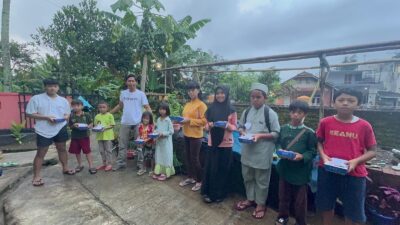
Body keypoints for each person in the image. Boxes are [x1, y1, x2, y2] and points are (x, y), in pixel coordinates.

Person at [316, 88, 377, 225]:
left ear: (358, 104)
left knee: (353, 209)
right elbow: (319, 142)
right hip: (327, 171)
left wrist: (356, 161)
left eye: (351, 100)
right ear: (334, 103)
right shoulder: (325, 122)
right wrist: (324, 157)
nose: (345, 103)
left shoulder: (364, 126)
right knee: (326, 204)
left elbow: (372, 151)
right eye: (341, 100)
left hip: (354, 175)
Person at [235, 83, 280, 219]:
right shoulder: (247, 111)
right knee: (247, 177)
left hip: (262, 152)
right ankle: (250, 199)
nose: (255, 100)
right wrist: (242, 131)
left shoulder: (270, 113)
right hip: (247, 151)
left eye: (258, 97)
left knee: (261, 180)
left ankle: (261, 204)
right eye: (252, 97)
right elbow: (241, 126)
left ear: (264, 98)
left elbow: (276, 133)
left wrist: (260, 136)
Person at [26, 78, 75, 186]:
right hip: (43, 129)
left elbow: (67, 114)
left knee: (62, 149)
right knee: (41, 153)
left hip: (60, 127)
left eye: (55, 86)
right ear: (45, 87)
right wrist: (46, 117)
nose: (52, 88)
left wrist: (66, 116)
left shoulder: (63, 100)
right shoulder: (36, 98)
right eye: (49, 86)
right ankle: (36, 176)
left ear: (58, 87)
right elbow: (29, 113)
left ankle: (65, 168)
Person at [275, 100, 317, 225]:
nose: (296, 115)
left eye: (299, 112)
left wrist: (302, 156)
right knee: (283, 197)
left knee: (300, 201)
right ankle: (282, 217)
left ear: (305, 114)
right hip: (285, 168)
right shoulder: (283, 129)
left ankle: (300, 221)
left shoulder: (309, 132)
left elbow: (313, 151)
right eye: (293, 112)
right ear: (290, 113)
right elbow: (277, 144)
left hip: (301, 172)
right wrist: (279, 151)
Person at [201, 85, 237, 203]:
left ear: (226, 95)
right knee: (211, 168)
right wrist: (208, 126)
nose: (220, 95)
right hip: (213, 143)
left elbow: (235, 127)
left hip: (226, 144)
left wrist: (226, 125)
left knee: (222, 169)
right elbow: (205, 126)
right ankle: (208, 193)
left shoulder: (231, 110)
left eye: (222, 93)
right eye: (218, 93)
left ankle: (220, 194)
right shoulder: (211, 109)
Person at [110, 74, 151, 171]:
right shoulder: (123, 93)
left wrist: (152, 119)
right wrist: (109, 113)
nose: (131, 82)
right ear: (126, 82)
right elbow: (120, 105)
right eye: (129, 81)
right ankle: (121, 163)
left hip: (138, 122)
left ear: (136, 82)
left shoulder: (141, 94)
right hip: (125, 122)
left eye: (133, 81)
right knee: (122, 144)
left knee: (139, 144)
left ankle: (140, 164)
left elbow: (147, 107)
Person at [178, 81, 208, 191]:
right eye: (189, 90)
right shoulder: (187, 104)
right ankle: (190, 177)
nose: (190, 92)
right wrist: (180, 122)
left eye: (193, 90)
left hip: (196, 136)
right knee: (188, 157)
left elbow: (204, 121)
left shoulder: (201, 105)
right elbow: (185, 119)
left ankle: (200, 181)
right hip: (186, 133)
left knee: (195, 159)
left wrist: (189, 120)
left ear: (198, 90)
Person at [68, 99, 96, 174]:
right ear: (72, 107)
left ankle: (91, 166)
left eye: (78, 105)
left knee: (87, 151)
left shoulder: (86, 114)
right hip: (75, 137)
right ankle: (80, 165)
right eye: (74, 106)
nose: (76, 107)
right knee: (77, 152)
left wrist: (88, 126)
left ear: (82, 106)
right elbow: (70, 126)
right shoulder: (71, 115)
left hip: (84, 136)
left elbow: (91, 123)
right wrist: (73, 125)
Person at [153, 103, 175, 181]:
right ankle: (158, 171)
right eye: (160, 109)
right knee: (159, 156)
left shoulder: (168, 120)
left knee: (166, 156)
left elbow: (172, 131)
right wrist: (155, 133)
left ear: (167, 110)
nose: (162, 111)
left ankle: (165, 173)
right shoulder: (158, 119)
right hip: (159, 142)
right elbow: (158, 129)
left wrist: (163, 133)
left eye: (163, 109)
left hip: (166, 142)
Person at [94, 102, 116, 172]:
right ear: (98, 108)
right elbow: (95, 125)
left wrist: (105, 128)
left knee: (108, 150)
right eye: (100, 107)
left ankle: (109, 164)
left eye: (104, 107)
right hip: (100, 136)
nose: (102, 109)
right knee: (101, 151)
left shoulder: (110, 115)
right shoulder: (97, 116)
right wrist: (95, 128)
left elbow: (112, 125)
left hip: (108, 136)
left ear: (107, 108)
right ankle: (104, 163)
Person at [136, 111, 155, 176]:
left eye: (147, 118)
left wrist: (146, 140)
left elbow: (152, 135)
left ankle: (152, 170)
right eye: (144, 118)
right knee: (144, 156)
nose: (145, 120)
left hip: (150, 144)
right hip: (143, 144)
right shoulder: (140, 126)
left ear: (150, 119)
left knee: (151, 157)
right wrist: (138, 139)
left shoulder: (151, 126)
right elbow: (139, 134)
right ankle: (143, 169)